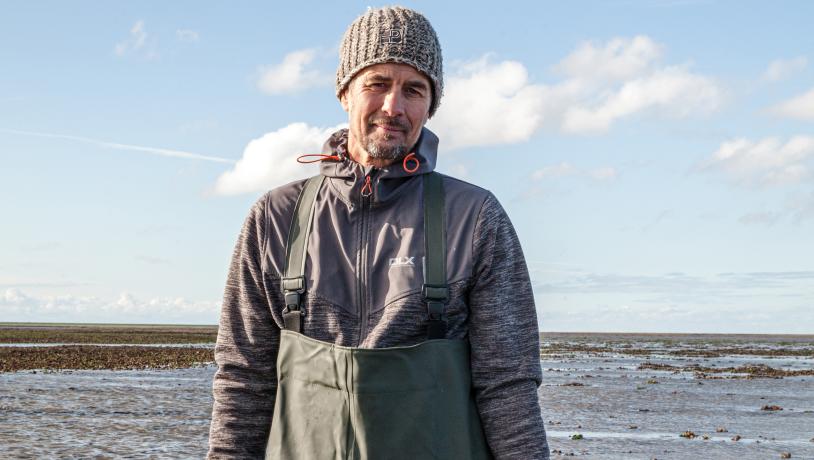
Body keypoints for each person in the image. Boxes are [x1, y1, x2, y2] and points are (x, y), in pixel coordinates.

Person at [208, 6, 549, 459]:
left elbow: (508, 384)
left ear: (431, 105)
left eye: (413, 89)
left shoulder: (476, 218)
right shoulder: (275, 217)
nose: (394, 107)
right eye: (377, 84)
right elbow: (243, 377)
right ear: (345, 92)